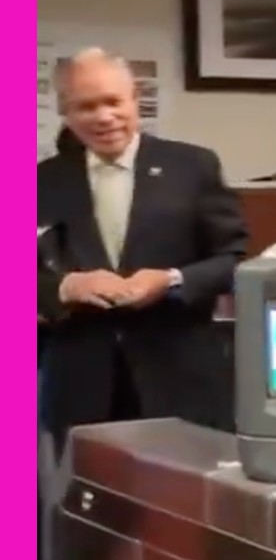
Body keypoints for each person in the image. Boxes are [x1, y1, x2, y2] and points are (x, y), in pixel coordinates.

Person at [37, 48, 248, 449]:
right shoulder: (41, 181)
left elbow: (232, 260)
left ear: (135, 100)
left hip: (181, 380)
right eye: (86, 106)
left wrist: (171, 280)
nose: (104, 117)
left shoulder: (193, 167)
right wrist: (66, 287)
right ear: (65, 111)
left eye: (113, 102)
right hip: (80, 387)